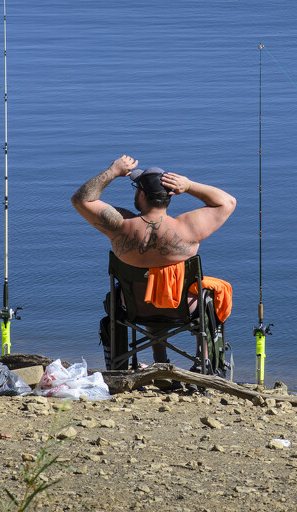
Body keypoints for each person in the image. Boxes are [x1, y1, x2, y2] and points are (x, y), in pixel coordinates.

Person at [71, 155, 236, 368]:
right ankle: (201, 362)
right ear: (170, 196)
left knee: (147, 289)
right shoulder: (188, 227)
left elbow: (81, 199)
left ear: (141, 194)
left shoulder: (120, 226)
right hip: (183, 307)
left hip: (133, 307)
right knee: (206, 294)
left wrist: (112, 171)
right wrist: (189, 185)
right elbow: (228, 201)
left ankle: (159, 361)